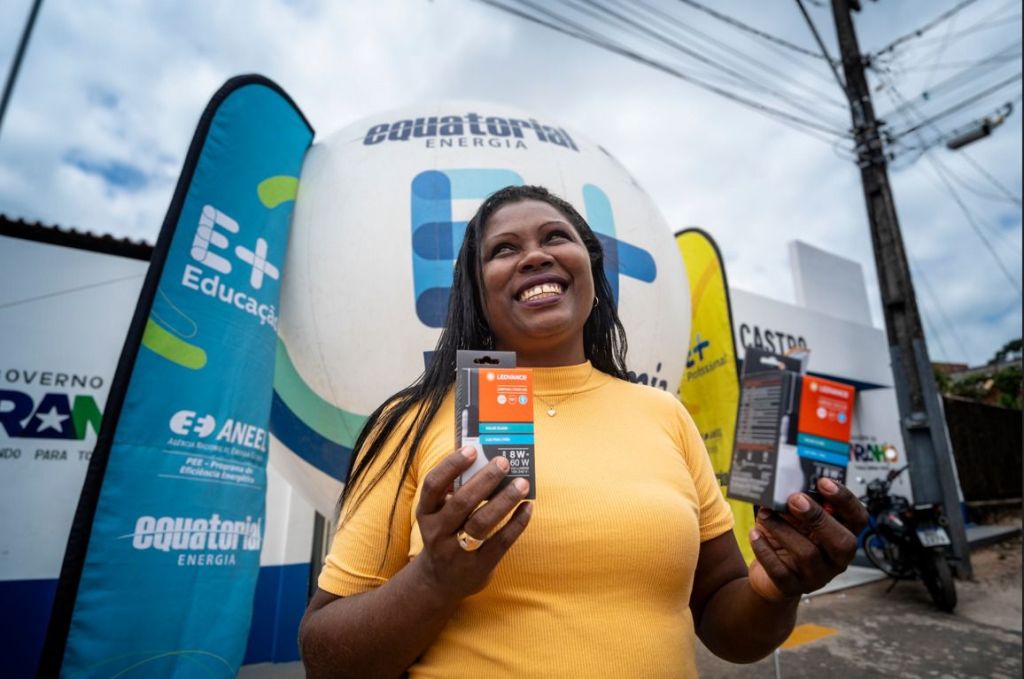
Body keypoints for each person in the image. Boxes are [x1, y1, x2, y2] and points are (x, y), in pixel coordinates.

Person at [299, 185, 867, 678]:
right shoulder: (413, 422)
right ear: (476, 288)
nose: (535, 256)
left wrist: (775, 588)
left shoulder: (663, 414)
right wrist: (434, 578)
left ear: (590, 270)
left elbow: (725, 623)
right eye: (504, 249)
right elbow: (326, 660)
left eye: (555, 237)